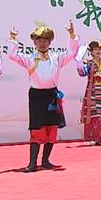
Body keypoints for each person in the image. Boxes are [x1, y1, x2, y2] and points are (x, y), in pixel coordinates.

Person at [8, 21, 79, 172]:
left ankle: (46, 160)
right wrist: (13, 38)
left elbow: (72, 53)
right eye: (39, 40)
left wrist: (72, 34)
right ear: (34, 42)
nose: (42, 43)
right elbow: (12, 55)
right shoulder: (29, 58)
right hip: (36, 97)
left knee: (52, 129)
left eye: (45, 40)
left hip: (52, 95)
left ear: (50, 42)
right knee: (37, 129)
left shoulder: (56, 57)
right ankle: (32, 163)